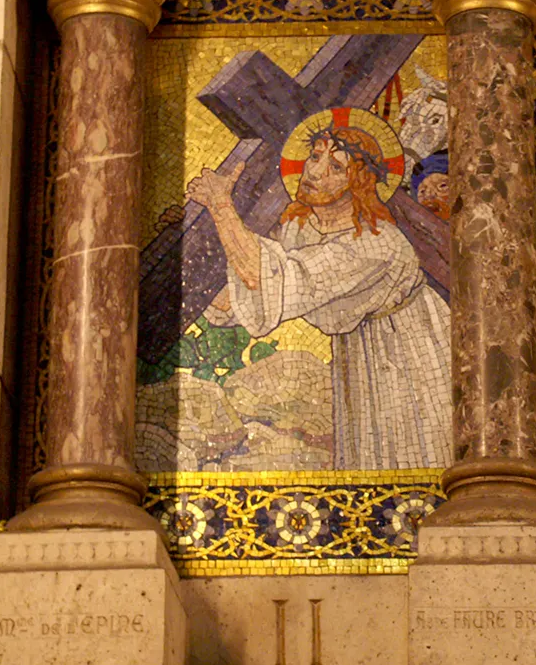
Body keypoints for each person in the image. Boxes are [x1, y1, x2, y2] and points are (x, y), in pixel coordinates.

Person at [189, 112, 453, 470]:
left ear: (359, 181)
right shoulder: (302, 228)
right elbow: (245, 292)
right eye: (314, 157)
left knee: (412, 449)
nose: (314, 172)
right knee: (367, 454)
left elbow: (269, 279)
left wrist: (221, 206)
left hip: (412, 353)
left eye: (335, 166)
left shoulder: (377, 244)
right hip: (360, 355)